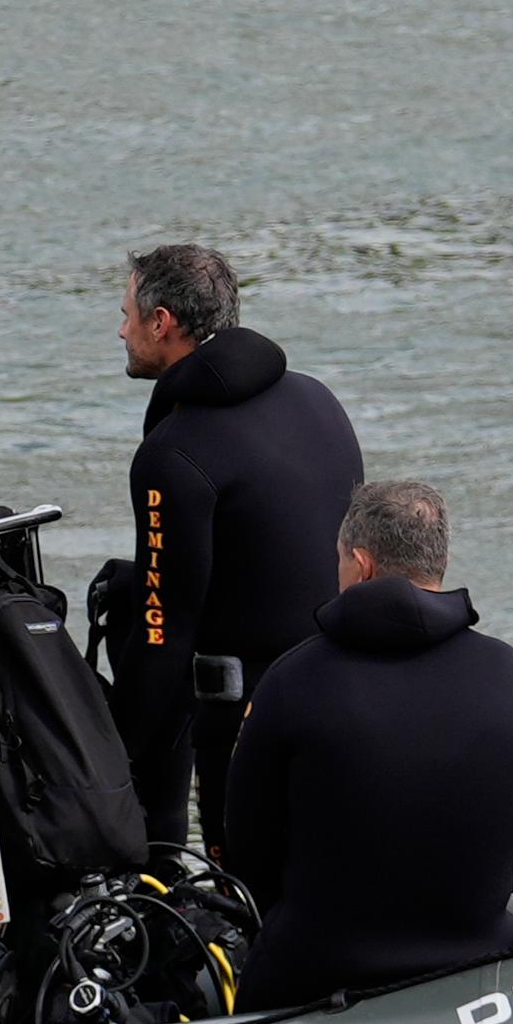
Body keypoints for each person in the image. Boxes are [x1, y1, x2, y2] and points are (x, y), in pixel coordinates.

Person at [217, 482, 513, 1013]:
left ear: (361, 565)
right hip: (475, 967)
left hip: (311, 977)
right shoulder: (511, 674)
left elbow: (247, 847)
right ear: (440, 561)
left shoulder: (293, 681)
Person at [93, 243, 364, 861]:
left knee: (242, 892)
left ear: (163, 323)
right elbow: (276, 547)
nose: (121, 329)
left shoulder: (176, 453)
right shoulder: (314, 397)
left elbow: (166, 636)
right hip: (338, 679)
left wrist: (111, 767)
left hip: (246, 719)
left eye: (129, 313)